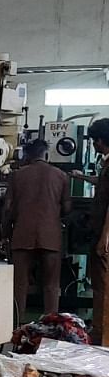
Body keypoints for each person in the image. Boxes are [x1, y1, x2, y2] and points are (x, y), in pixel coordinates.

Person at [4, 139, 71, 318]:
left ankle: (16, 324)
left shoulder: (17, 175)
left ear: (27, 155)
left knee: (20, 284)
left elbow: (8, 208)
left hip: (22, 234)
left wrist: (5, 233)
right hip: (50, 235)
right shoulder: (61, 176)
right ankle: (51, 324)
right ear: (46, 154)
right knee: (51, 285)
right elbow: (66, 208)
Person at [73, 118, 109, 342]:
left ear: (101, 141)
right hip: (100, 232)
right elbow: (103, 184)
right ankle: (99, 329)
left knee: (103, 288)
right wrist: (82, 176)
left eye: (94, 141)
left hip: (104, 236)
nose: (93, 146)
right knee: (99, 285)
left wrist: (104, 238)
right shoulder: (106, 165)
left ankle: (102, 334)